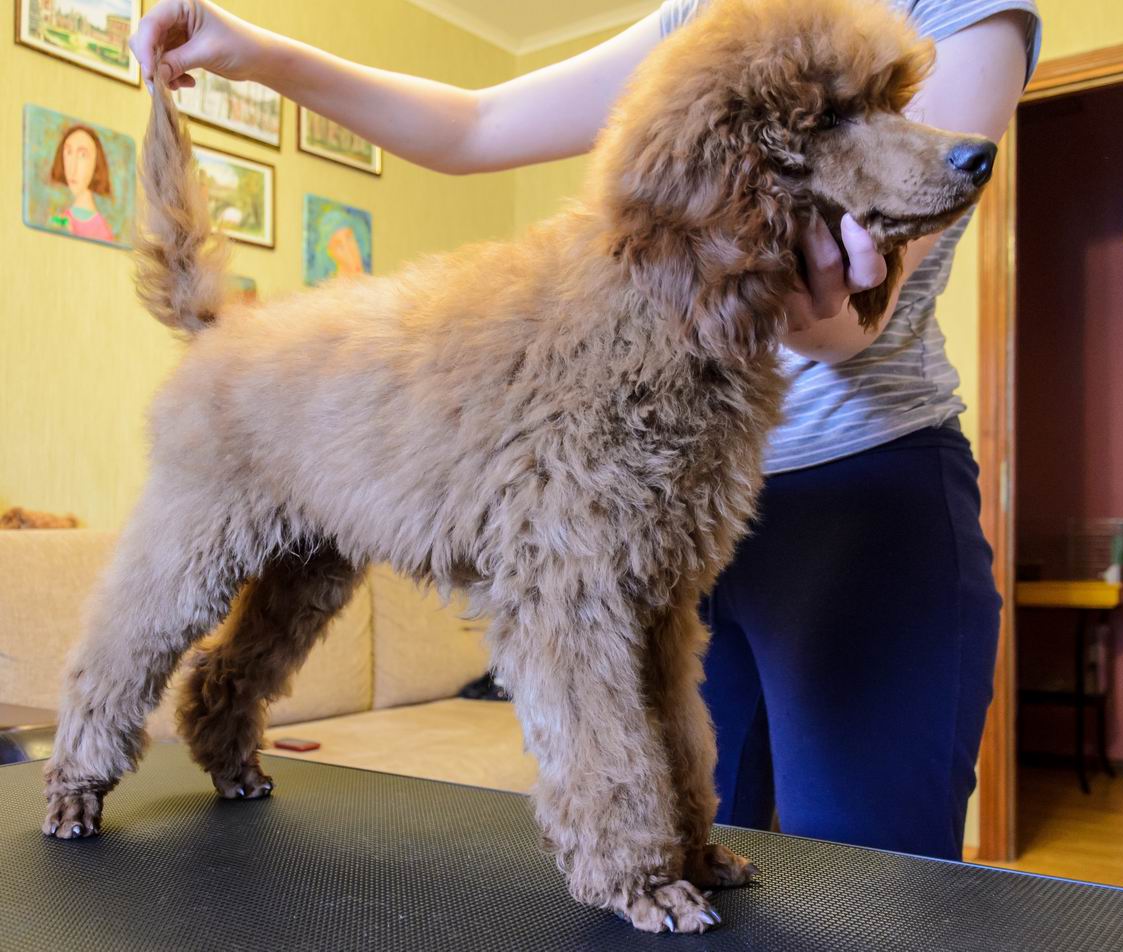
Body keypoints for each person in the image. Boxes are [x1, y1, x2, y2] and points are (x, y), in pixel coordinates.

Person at [132, 0, 1041, 861]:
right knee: (686, 859)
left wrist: (763, 274)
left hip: (860, 494)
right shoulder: (709, 25)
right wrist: (251, 49)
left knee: (867, 872)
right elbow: (477, 125)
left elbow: (854, 321)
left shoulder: (959, 12)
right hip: (661, 479)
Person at [49, 124, 116, 243]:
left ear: (96, 163)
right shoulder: (62, 218)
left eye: (83, 155)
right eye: (68, 152)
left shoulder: (102, 231)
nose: (72, 166)